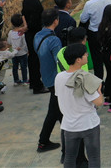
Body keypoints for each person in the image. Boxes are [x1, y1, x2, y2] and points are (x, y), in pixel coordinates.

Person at [57, 43, 103, 168]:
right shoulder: (85, 78)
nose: (87, 55)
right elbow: (99, 102)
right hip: (88, 124)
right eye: (84, 54)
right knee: (94, 158)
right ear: (78, 60)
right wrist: (99, 90)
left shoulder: (59, 77)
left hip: (69, 125)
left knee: (70, 157)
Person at [36, 9, 65, 153]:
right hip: (56, 80)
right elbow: (59, 61)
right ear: (56, 21)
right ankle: (43, 142)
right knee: (56, 112)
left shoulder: (38, 35)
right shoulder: (54, 39)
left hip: (46, 77)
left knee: (57, 111)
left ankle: (45, 141)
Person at [79, 0, 111, 79]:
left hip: (95, 34)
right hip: (110, 33)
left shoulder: (89, 4)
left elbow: (83, 19)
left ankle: (99, 83)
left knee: (97, 61)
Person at [22, 0, 47, 93]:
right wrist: (27, 27)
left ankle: (33, 82)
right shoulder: (35, 3)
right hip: (34, 34)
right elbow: (34, 22)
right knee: (36, 60)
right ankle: (37, 85)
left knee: (32, 58)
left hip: (29, 34)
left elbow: (23, 14)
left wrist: (25, 26)